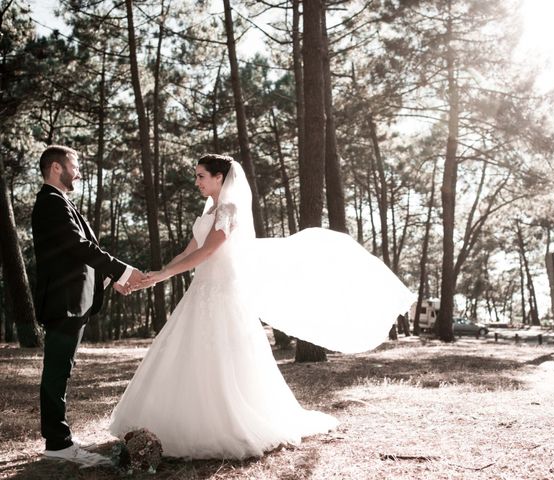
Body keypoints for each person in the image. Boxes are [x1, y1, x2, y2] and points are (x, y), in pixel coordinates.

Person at [109, 154, 414, 459]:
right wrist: (156, 275)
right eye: (197, 176)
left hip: (223, 291)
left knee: (225, 357)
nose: (197, 182)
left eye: (201, 176)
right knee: (185, 351)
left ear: (220, 178)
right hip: (200, 291)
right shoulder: (208, 211)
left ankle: (226, 424)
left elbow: (209, 250)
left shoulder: (229, 209)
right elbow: (189, 250)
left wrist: (166, 274)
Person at [32, 145, 145, 466]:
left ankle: (59, 438)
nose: (78, 170)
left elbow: (79, 256)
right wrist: (123, 269)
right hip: (63, 302)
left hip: (72, 300)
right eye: (74, 164)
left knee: (61, 369)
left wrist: (113, 280)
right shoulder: (50, 203)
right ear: (56, 167)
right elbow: (78, 246)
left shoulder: (59, 202)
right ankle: (58, 443)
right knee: (56, 370)